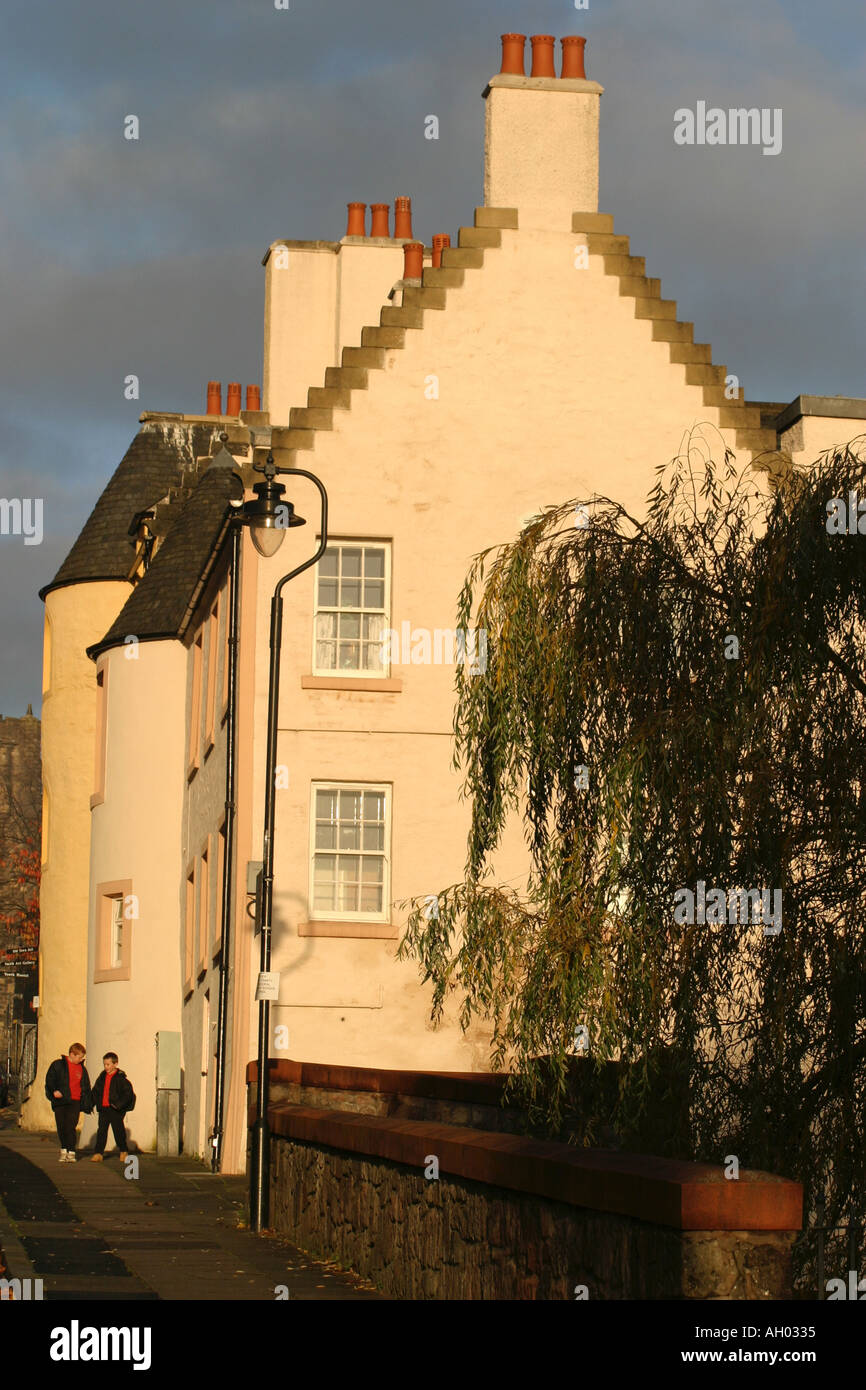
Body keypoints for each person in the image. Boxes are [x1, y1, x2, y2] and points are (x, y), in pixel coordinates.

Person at [45, 1043, 93, 1162]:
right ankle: (64, 1149)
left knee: (71, 1126)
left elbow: (86, 1086)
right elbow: (50, 1080)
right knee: (61, 1126)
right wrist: (53, 1092)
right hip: (60, 1101)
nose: (81, 1060)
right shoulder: (58, 1065)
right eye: (80, 1057)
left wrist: (87, 1102)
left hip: (75, 1101)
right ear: (72, 1054)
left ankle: (71, 1151)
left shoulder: (82, 1069)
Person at [90, 1052, 135, 1162]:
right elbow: (95, 1091)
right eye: (104, 1064)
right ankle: (98, 1153)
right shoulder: (102, 1077)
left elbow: (128, 1093)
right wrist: (91, 1103)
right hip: (103, 1108)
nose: (106, 1067)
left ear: (115, 1064)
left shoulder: (120, 1078)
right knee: (101, 1131)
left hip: (115, 1109)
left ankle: (123, 1150)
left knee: (118, 1131)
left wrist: (118, 1105)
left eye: (108, 1064)